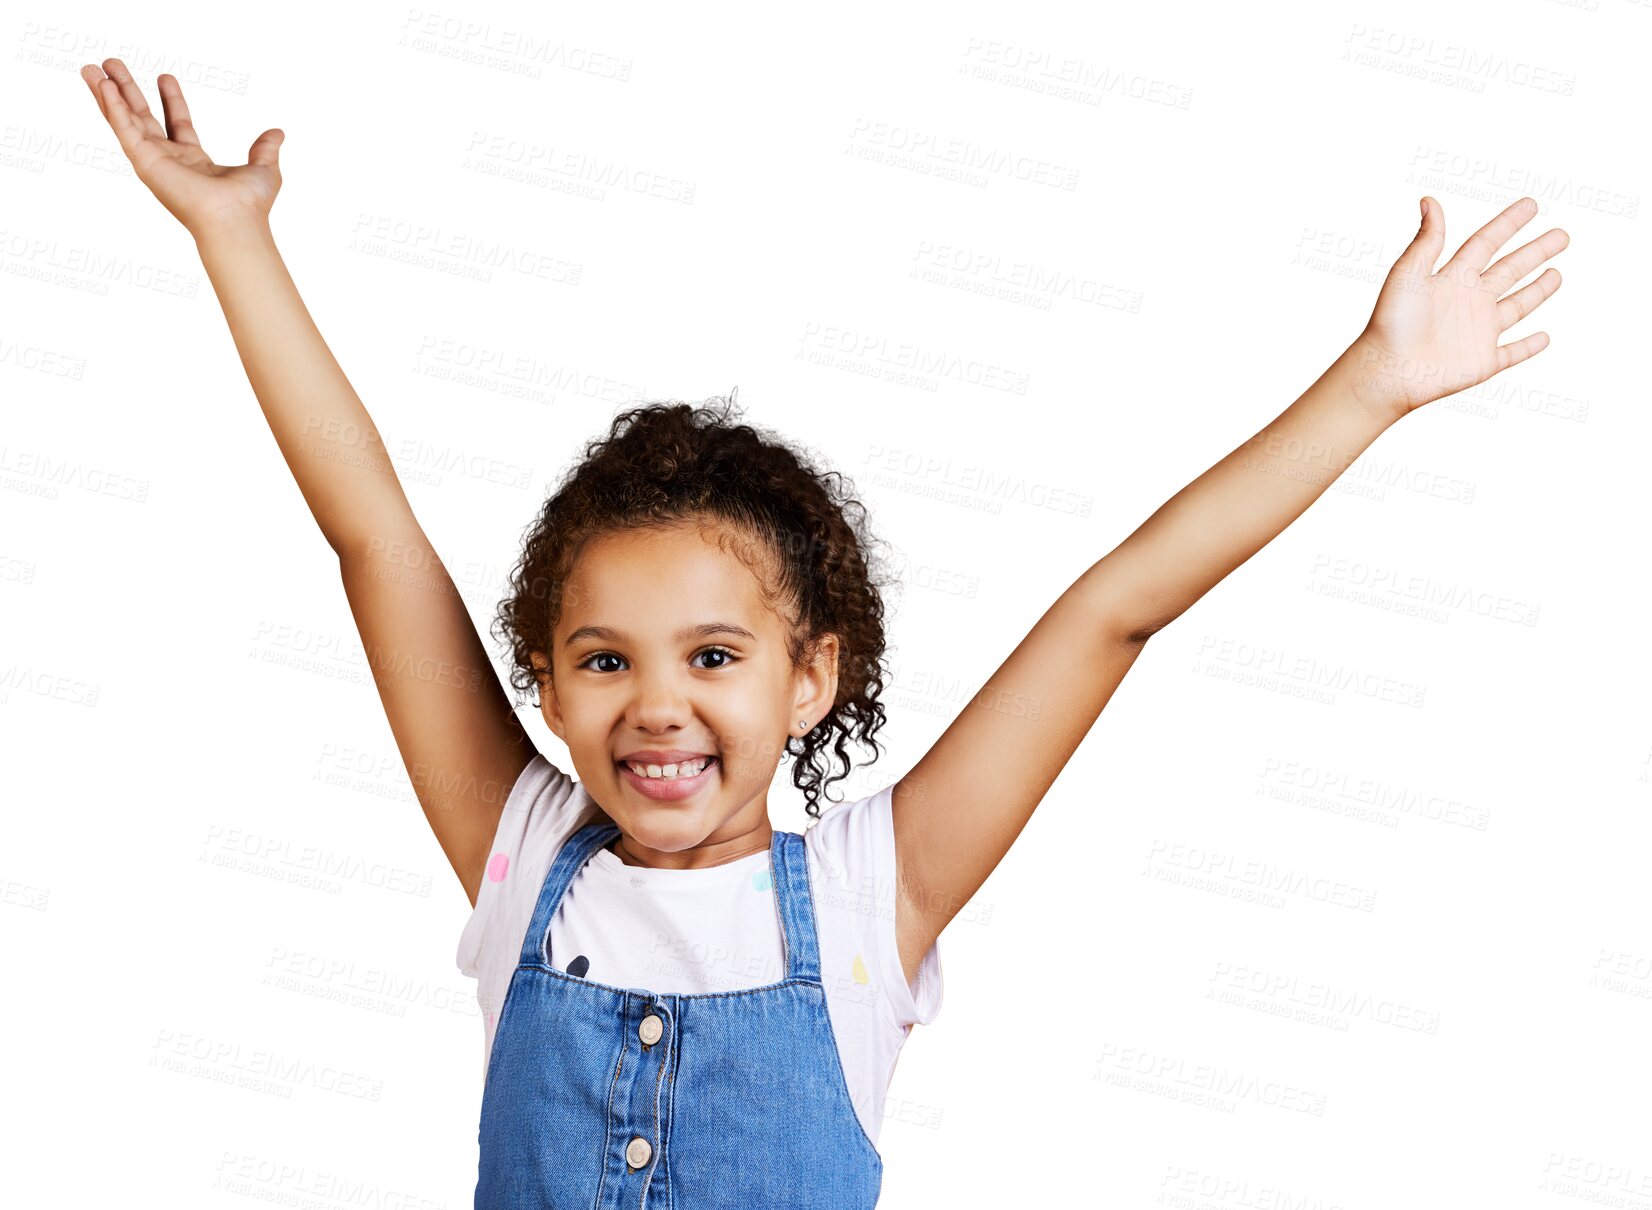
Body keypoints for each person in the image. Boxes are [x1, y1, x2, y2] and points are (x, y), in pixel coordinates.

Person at [80, 57, 1569, 1208]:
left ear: (815, 675)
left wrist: (1370, 385)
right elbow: (375, 540)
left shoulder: (872, 895)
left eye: (713, 655)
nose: (657, 703)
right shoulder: (522, 851)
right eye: (607, 658)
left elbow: (1117, 608)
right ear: (540, 678)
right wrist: (233, 239)